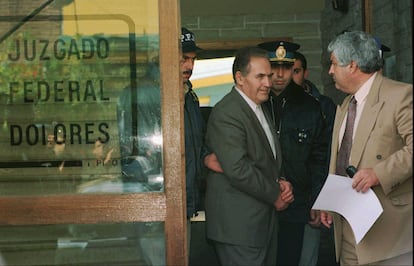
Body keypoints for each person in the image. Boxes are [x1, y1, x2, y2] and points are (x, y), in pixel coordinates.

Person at [320, 31, 412, 265]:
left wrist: (378, 174)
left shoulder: (400, 95)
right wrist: (330, 204)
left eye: (333, 64)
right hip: (348, 228)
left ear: (352, 65)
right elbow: (341, 161)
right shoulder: (346, 105)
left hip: (389, 234)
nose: (330, 71)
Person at [204, 46, 294, 265]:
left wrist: (280, 182)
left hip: (259, 226)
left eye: (269, 76)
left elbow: (263, 159)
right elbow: (238, 169)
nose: (268, 83)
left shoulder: (256, 107)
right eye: (260, 76)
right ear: (240, 78)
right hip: (239, 229)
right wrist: (275, 195)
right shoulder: (228, 112)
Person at [258, 40, 331, 265]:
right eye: (274, 67)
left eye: (287, 67)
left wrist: (317, 199)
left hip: (296, 203)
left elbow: (320, 159)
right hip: (260, 199)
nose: (280, 74)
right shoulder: (255, 102)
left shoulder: (310, 106)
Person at [292, 50, 337, 266]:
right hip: (282, 197)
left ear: (305, 73)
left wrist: (320, 198)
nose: (289, 76)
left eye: (296, 71)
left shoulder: (324, 107)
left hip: (313, 192)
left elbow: (329, 156)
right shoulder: (270, 103)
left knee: (307, 257)